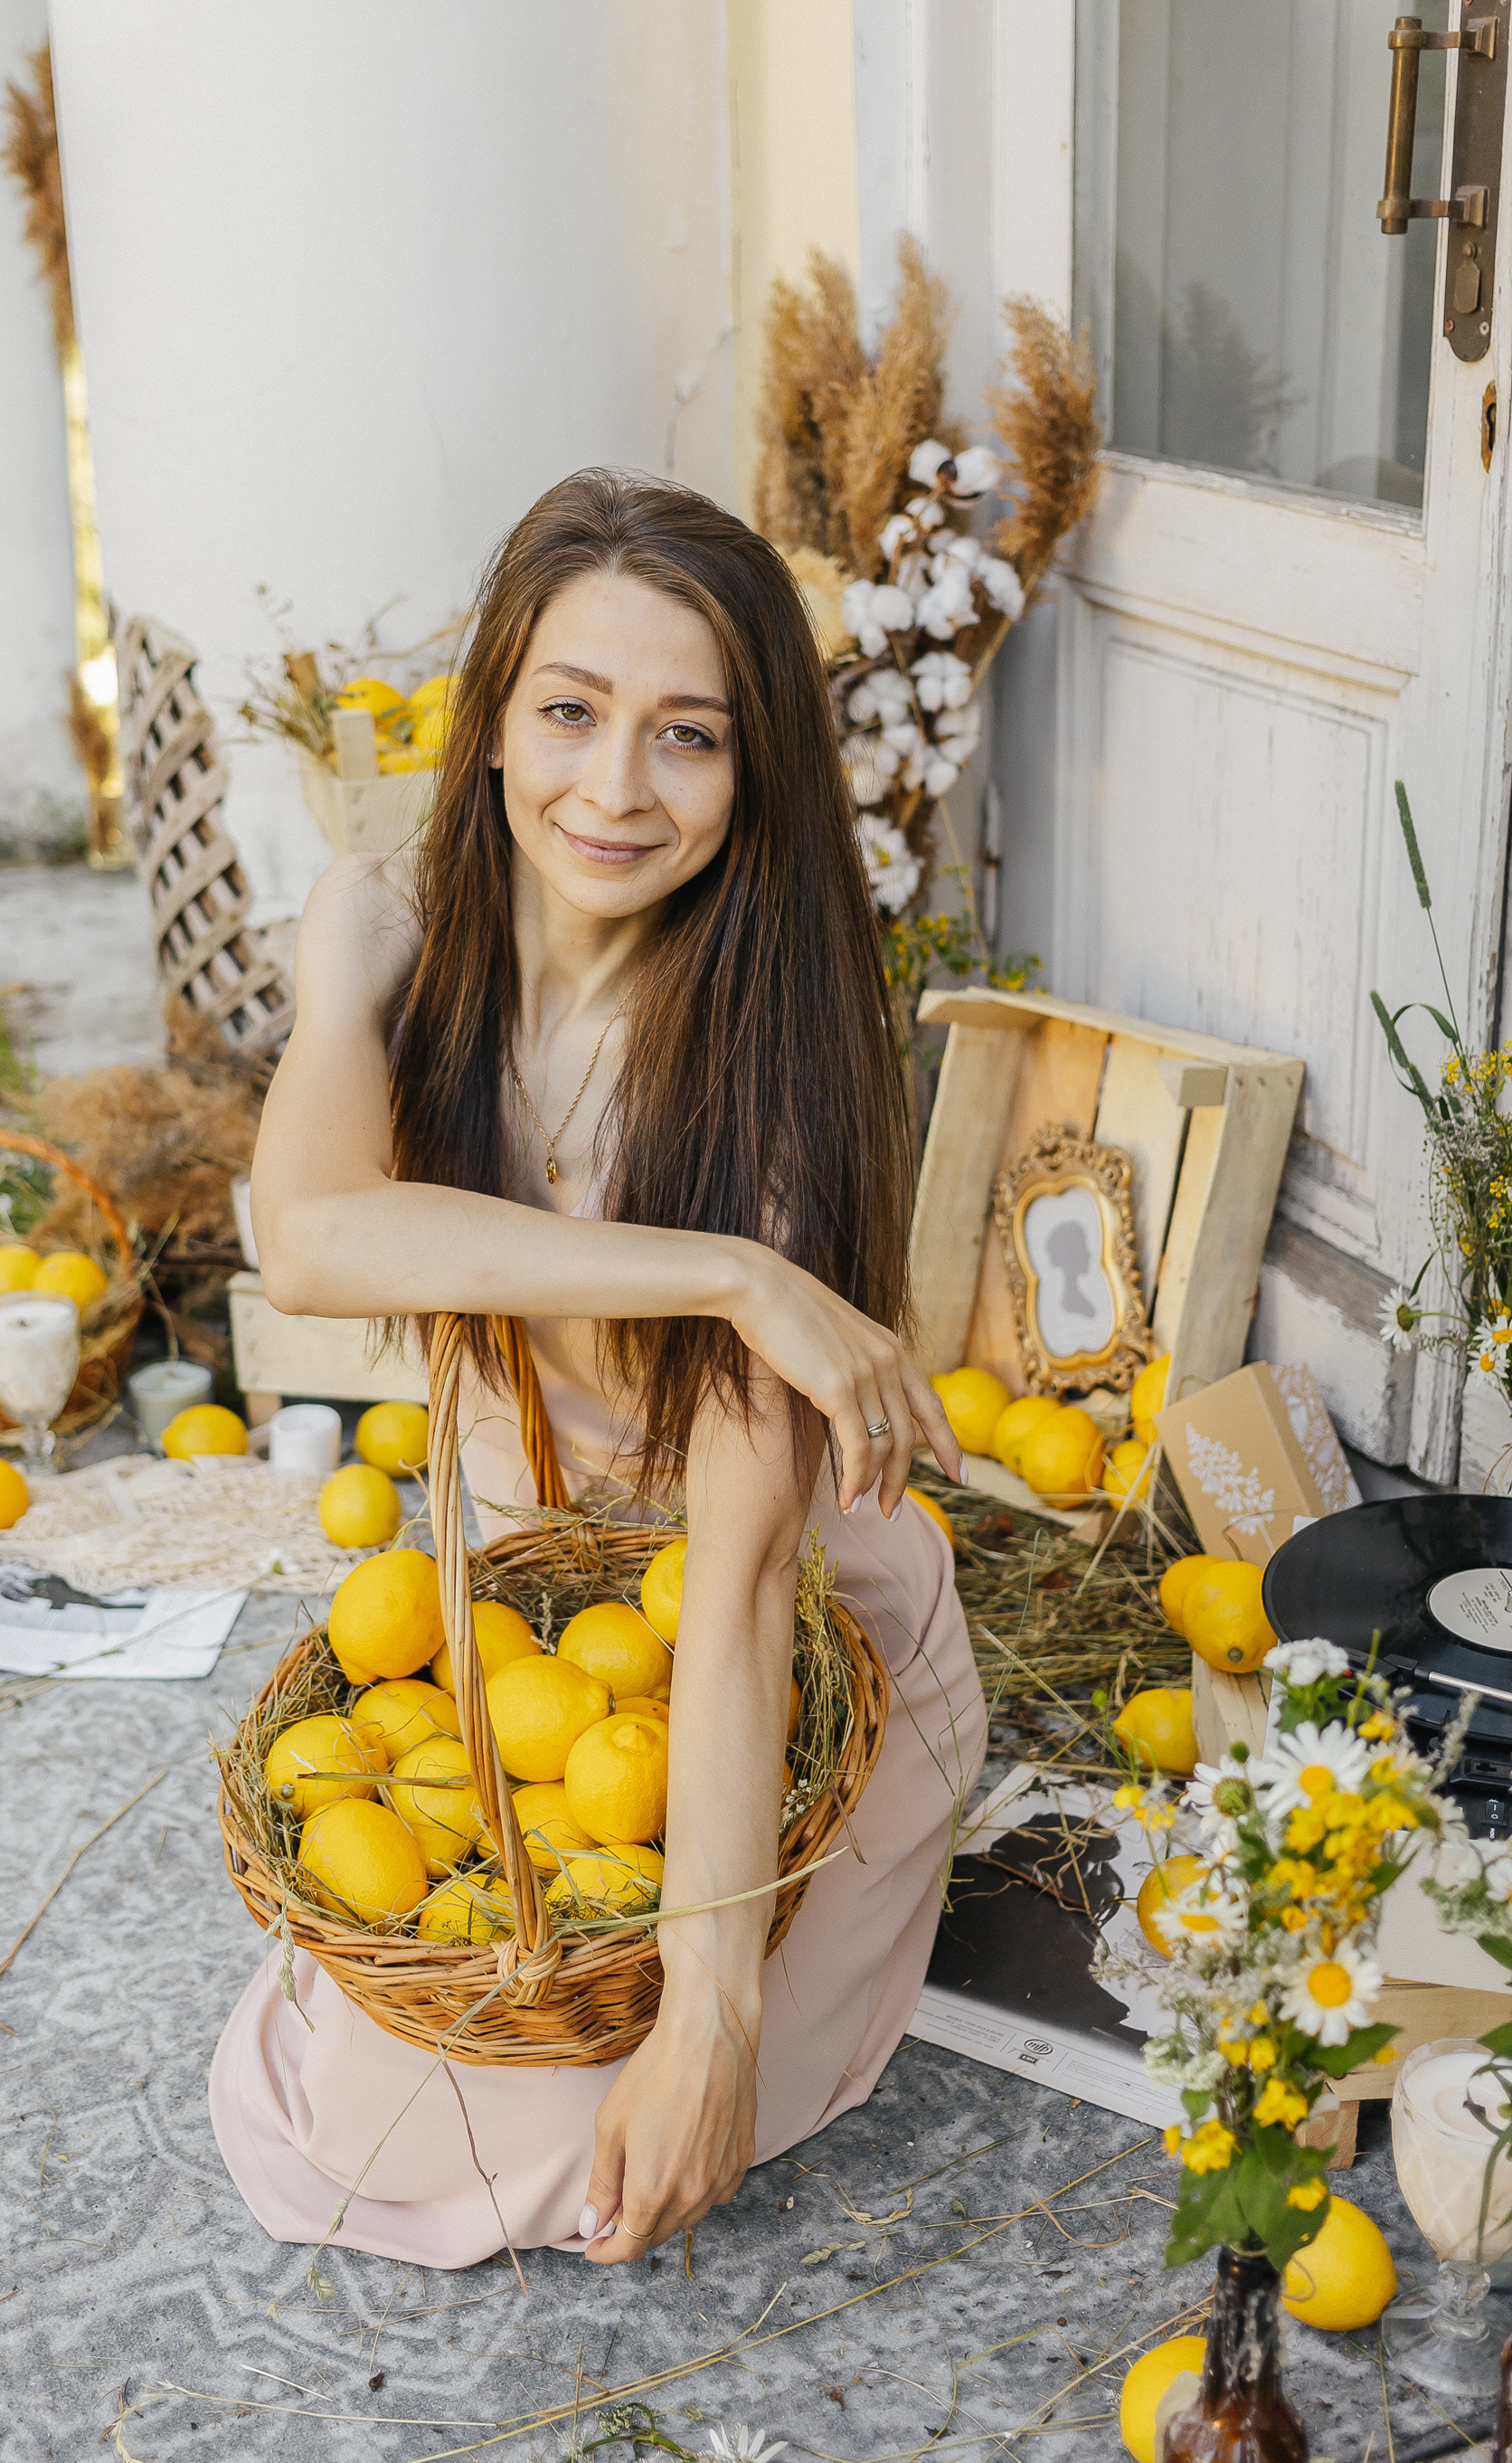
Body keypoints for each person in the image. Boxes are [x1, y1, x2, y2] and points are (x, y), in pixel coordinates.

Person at [209, 469, 987, 2271]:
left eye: (688, 737)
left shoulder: (768, 1052)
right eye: (569, 713)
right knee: (379, 2122)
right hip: (538, 1642)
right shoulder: (386, 932)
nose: (614, 789)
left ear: (754, 771)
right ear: (489, 722)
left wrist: (711, 1999)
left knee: (582, 2157)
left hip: (790, 1647)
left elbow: (733, 1599)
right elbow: (316, 1234)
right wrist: (731, 1278)